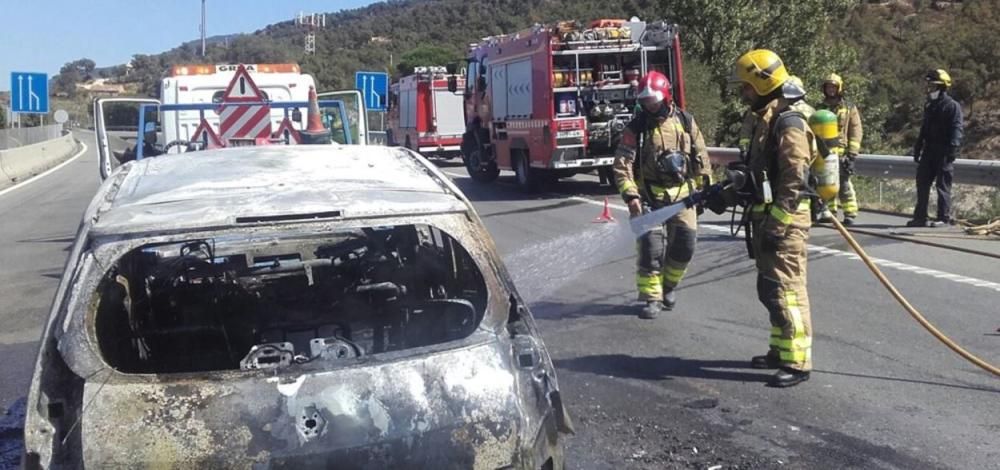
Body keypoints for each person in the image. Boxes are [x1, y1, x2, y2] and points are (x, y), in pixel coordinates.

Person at [729, 49, 814, 387]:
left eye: (746, 86)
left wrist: (778, 224)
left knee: (788, 291)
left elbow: (795, 178)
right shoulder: (767, 115)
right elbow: (762, 171)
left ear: (762, 84)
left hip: (786, 222)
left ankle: (798, 362)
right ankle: (780, 351)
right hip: (766, 218)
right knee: (771, 290)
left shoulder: (788, 121)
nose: (743, 93)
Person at [613, 71, 711, 319]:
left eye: (653, 101)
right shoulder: (636, 128)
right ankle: (652, 297)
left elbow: (701, 156)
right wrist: (632, 197)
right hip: (650, 199)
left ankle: (669, 286)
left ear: (665, 97)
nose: (649, 106)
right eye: (645, 102)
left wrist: (704, 188)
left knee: (685, 247)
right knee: (651, 249)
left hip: (683, 197)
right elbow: (622, 165)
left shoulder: (686, 121)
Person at [909, 69, 964, 227]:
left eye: (932, 85)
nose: (929, 89)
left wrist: (952, 149)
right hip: (929, 151)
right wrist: (918, 147)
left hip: (944, 152)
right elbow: (924, 128)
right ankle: (920, 217)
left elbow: (957, 128)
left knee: (942, 186)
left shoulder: (952, 106)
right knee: (922, 183)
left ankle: (943, 218)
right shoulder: (929, 105)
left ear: (941, 87)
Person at [816, 73, 863, 225]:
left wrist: (852, 154)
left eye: (833, 87)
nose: (831, 90)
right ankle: (829, 213)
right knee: (826, 182)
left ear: (839, 88)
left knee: (843, 184)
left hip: (841, 152)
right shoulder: (820, 107)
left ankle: (850, 213)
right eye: (828, 87)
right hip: (824, 152)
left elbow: (855, 130)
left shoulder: (848, 108)